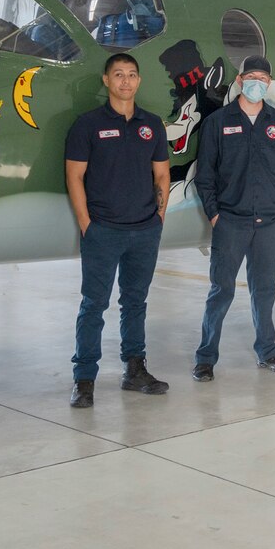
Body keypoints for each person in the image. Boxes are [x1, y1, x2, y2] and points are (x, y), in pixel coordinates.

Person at [64, 52, 170, 408]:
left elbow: (162, 173)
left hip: (145, 230)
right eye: (118, 75)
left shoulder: (151, 124)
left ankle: (135, 370)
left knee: (135, 303)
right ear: (106, 80)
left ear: (139, 81)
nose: (126, 81)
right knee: (94, 305)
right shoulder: (87, 124)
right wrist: (86, 225)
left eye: (132, 75)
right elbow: (75, 176)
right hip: (103, 231)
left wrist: (158, 218)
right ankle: (84, 380)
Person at [191, 55, 275, 382]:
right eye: (251, 77)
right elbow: (204, 176)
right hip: (231, 223)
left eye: (263, 79)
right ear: (239, 80)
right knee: (221, 291)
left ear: (269, 83)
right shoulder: (218, 122)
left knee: (264, 289)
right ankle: (206, 357)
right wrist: (214, 216)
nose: (257, 84)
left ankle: (268, 351)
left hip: (270, 222)